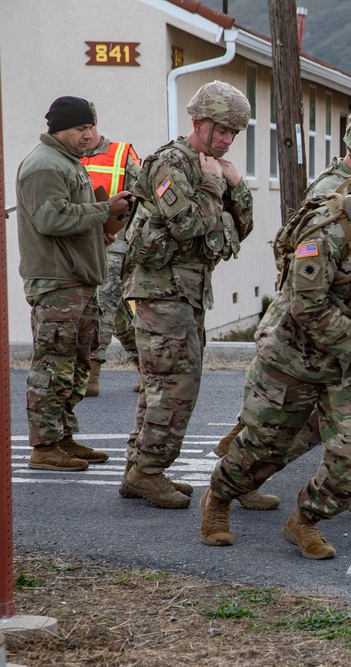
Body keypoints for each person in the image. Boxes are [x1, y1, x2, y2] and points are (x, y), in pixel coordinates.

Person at [199, 146, 351, 559]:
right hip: (292, 357)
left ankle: (305, 521)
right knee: (264, 448)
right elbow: (306, 308)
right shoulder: (327, 228)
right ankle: (219, 498)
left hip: (345, 361)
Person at [118, 80, 254, 509]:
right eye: (221, 130)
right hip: (160, 291)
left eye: (234, 132)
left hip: (187, 292)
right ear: (199, 123)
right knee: (176, 384)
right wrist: (215, 190)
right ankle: (147, 472)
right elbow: (190, 226)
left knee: (160, 384)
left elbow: (241, 228)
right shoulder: (171, 164)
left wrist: (236, 185)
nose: (228, 139)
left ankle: (140, 471)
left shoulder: (212, 166)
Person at [16, 96, 131, 471]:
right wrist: (105, 211)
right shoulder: (44, 166)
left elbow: (69, 218)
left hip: (78, 279)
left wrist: (99, 231)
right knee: (53, 365)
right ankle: (44, 447)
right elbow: (50, 219)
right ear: (60, 128)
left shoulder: (67, 162)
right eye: (82, 128)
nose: (89, 135)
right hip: (57, 282)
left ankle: (63, 438)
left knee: (75, 364)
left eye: (91, 127)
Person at [81, 103, 141, 397]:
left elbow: (143, 197)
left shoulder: (121, 154)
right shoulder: (65, 157)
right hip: (80, 241)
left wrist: (117, 226)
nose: (82, 134)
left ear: (94, 122)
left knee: (103, 301)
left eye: (84, 126)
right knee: (116, 312)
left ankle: (92, 374)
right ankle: (146, 362)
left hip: (115, 243)